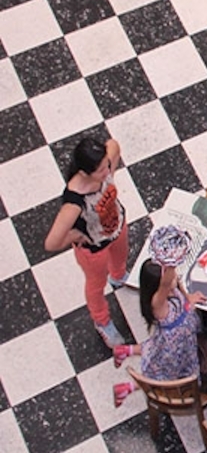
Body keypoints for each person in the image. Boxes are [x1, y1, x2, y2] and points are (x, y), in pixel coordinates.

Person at [43, 137, 129, 348]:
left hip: (117, 228)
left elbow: (114, 144)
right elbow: (51, 243)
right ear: (84, 172)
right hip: (93, 249)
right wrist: (75, 236)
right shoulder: (75, 201)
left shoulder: (105, 167)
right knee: (96, 284)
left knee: (121, 258)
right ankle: (102, 321)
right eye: (101, 170)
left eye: (107, 166)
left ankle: (119, 277)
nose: (107, 172)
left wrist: (111, 169)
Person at [111, 232, 207, 407]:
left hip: (182, 339)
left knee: (152, 348)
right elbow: (167, 282)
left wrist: (189, 298)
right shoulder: (158, 303)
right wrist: (172, 259)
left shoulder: (172, 288)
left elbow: (176, 283)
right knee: (164, 375)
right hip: (174, 348)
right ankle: (127, 387)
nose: (173, 279)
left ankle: (126, 351)